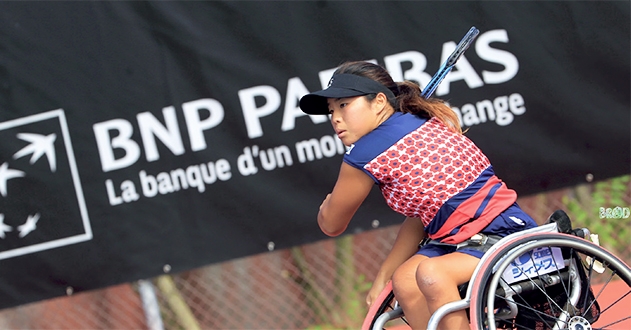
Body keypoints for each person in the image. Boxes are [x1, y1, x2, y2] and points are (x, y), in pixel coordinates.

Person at [299, 61, 538, 330]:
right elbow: (423, 218)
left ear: (379, 102)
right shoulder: (420, 120)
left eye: (344, 105)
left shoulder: (365, 153)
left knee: (431, 274)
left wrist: (326, 204)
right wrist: (382, 280)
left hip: (502, 233)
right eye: (331, 110)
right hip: (458, 239)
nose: (335, 118)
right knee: (404, 280)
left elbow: (331, 224)